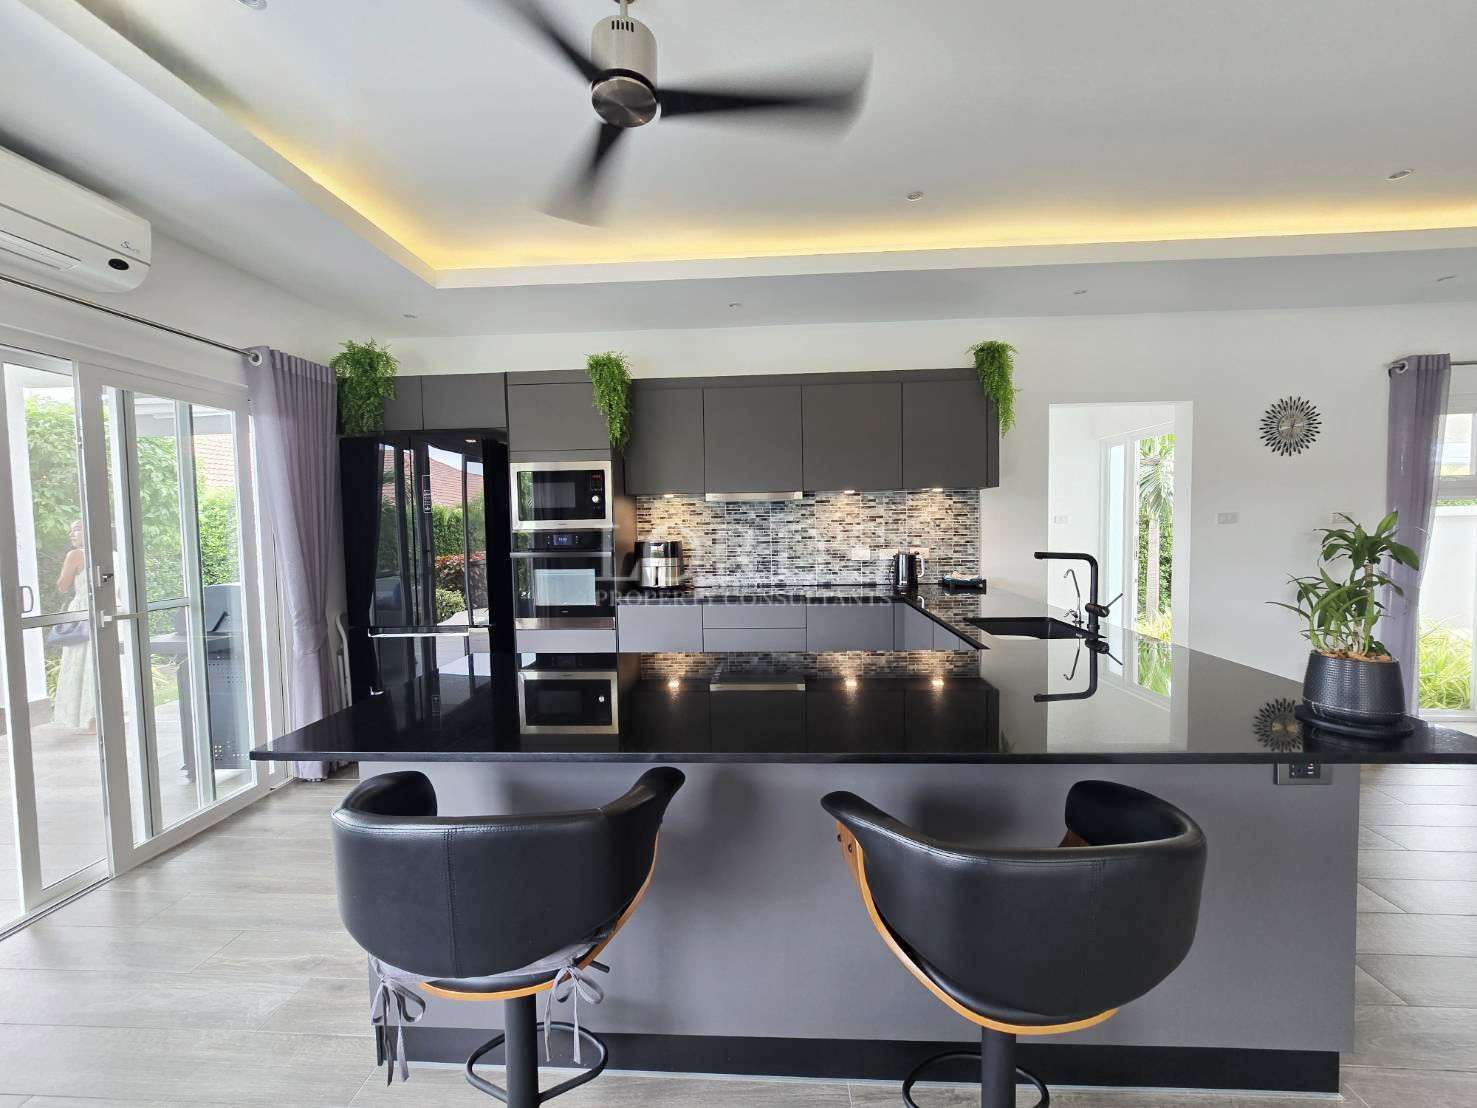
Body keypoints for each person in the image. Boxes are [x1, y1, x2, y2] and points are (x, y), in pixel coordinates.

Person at [51, 519, 95, 733]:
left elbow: (62, 585)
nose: (71, 534)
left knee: (82, 664)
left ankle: (90, 720)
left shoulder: (76, 555)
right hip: (109, 611)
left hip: (83, 614)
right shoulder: (113, 553)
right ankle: (98, 719)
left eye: (76, 529)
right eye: (70, 530)